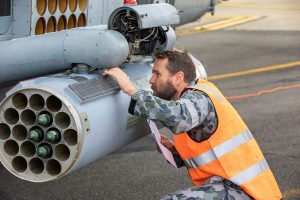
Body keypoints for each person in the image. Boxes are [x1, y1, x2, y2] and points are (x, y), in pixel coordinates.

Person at [103, 50, 282, 200]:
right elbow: (209, 150)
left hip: (245, 191)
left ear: (178, 77)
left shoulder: (198, 97)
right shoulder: (192, 97)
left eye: (157, 74)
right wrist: (175, 151)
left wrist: (131, 89)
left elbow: (178, 117)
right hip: (235, 188)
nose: (151, 80)